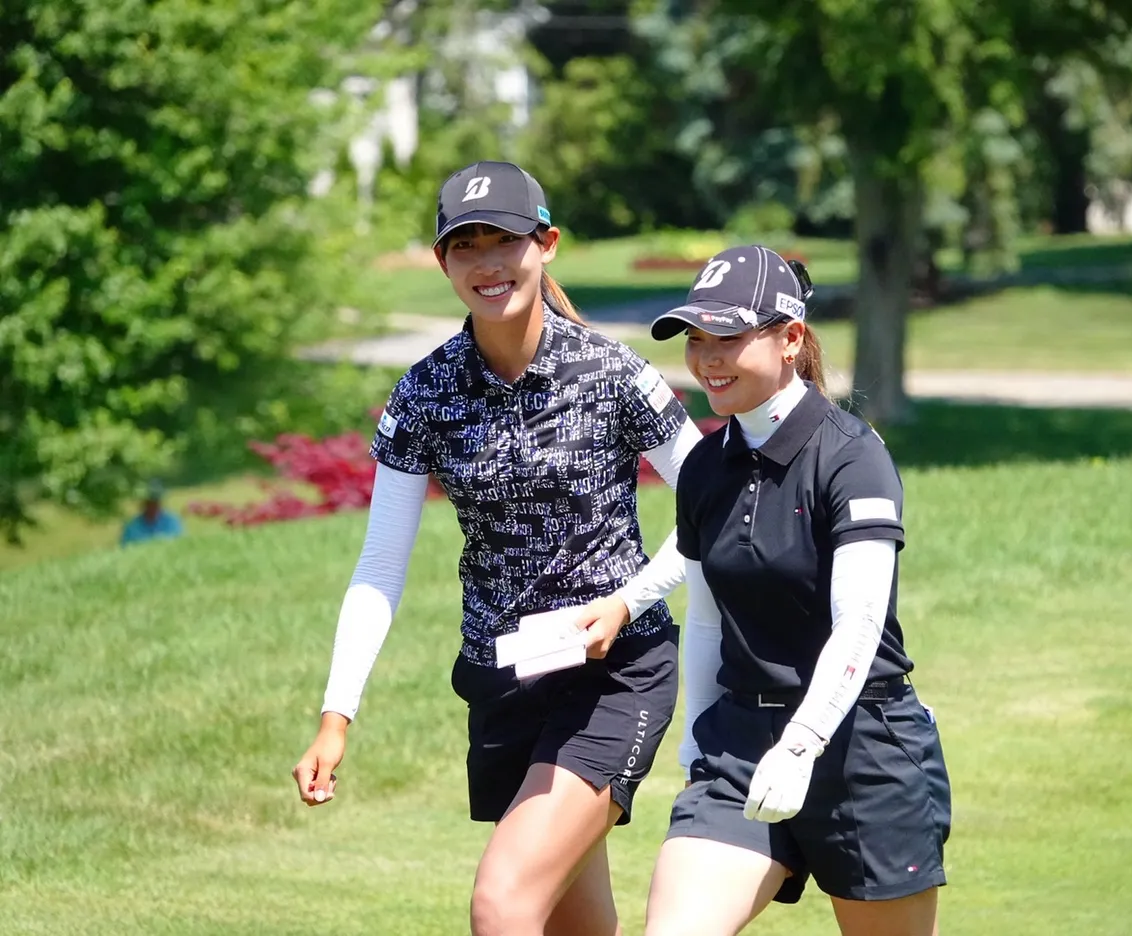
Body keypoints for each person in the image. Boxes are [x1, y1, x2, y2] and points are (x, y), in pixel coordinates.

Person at [291, 160, 703, 936]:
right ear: (443, 261)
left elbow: (713, 504)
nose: (487, 263)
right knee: (572, 925)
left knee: (503, 902)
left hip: (613, 675)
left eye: (505, 240)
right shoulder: (424, 393)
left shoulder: (611, 372)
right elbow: (380, 567)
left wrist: (628, 603)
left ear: (546, 244)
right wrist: (335, 715)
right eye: (465, 245)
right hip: (505, 681)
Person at [642, 246, 952, 936]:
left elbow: (859, 622)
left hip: (861, 744)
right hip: (740, 743)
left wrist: (802, 743)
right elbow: (707, 622)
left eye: (727, 337)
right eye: (695, 338)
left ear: (790, 340)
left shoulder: (852, 455)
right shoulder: (704, 468)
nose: (707, 358)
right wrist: (695, 751)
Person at [119, 481, 183, 547]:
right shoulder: (132, 527)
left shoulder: (172, 522)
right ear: (143, 503)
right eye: (149, 502)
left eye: (155, 501)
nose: (152, 506)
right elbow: (125, 549)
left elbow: (180, 545)